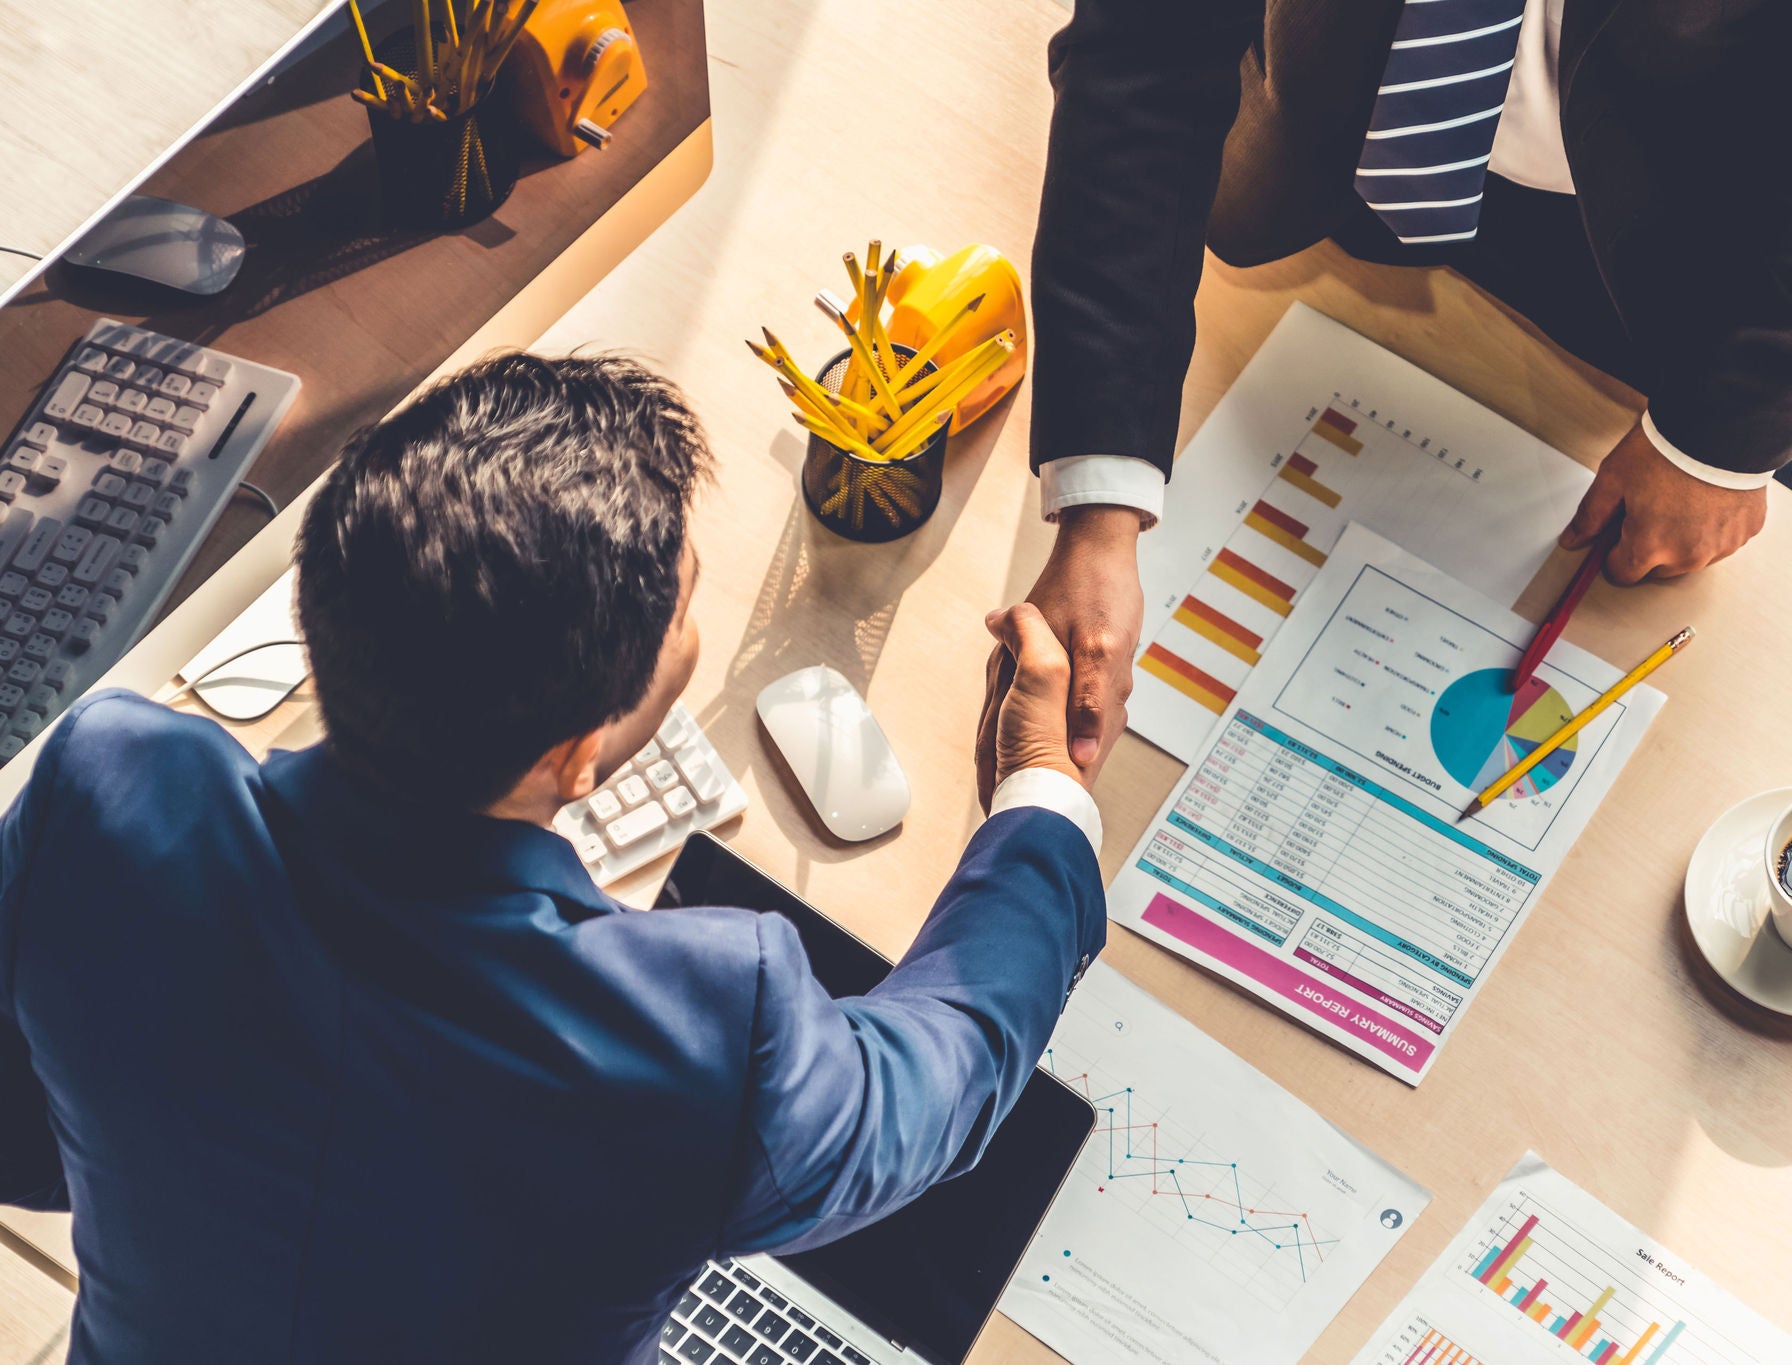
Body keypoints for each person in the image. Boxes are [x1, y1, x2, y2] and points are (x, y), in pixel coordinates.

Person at [0, 354, 1106, 1363]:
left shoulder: (105, 790)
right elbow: (942, 1073)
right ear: (579, 755)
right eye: (682, 609)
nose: (689, 625)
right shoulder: (706, 1032)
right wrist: (1041, 787)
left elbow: (23, 1137)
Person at [980, 0, 1792, 800]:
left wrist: (1713, 446)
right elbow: (1145, 46)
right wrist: (1099, 509)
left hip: (1661, 230)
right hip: (1337, 157)